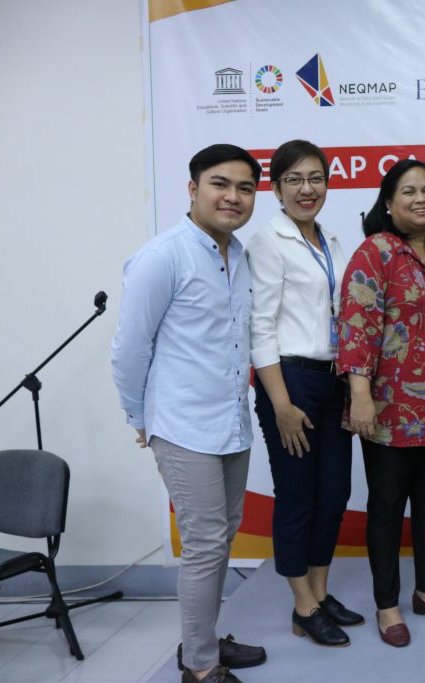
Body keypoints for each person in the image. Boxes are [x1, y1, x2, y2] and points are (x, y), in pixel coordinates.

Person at [111, 144, 266, 683]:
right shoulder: (163, 256)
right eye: (220, 184)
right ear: (193, 188)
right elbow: (129, 348)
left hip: (231, 422)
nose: (233, 196)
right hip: (181, 425)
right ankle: (200, 665)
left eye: (245, 188)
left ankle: (203, 640)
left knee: (221, 538)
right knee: (204, 543)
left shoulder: (238, 255)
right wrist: (139, 416)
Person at [337, 159, 425, 648]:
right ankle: (387, 603)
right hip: (388, 407)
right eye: (409, 191)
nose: (421, 199)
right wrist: (360, 396)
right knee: (388, 506)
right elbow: (356, 327)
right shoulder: (375, 252)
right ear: (389, 203)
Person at [247, 140, 363, 647]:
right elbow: (260, 328)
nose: (306, 188)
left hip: (332, 380)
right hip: (290, 380)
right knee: (297, 495)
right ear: (276, 189)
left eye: (315, 178)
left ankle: (320, 591)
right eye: (293, 179)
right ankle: (302, 606)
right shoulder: (267, 242)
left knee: (334, 493)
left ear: (327, 184)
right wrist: (280, 404)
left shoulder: (331, 240)